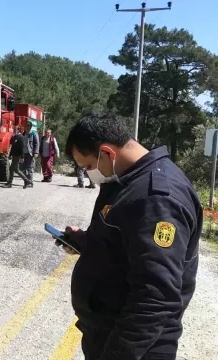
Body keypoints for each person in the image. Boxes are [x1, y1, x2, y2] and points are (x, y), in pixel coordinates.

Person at [57, 112, 202, 360]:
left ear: (107, 153)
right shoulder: (127, 180)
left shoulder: (156, 198)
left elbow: (155, 297)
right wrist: (87, 242)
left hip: (134, 347)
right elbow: (126, 246)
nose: (90, 173)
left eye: (89, 166)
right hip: (108, 333)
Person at [21, 120, 39, 187]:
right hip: (23, 153)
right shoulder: (23, 134)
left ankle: (30, 182)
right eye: (25, 126)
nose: (26, 127)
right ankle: (26, 180)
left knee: (30, 168)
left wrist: (36, 152)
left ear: (30, 127)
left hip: (30, 153)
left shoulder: (34, 133)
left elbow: (37, 143)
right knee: (22, 168)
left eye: (28, 126)